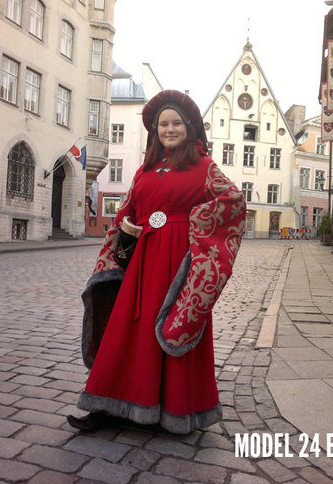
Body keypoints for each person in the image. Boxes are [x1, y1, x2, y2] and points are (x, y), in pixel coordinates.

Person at [67, 89, 246, 434]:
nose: (169, 129)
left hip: (179, 263)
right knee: (127, 331)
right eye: (163, 124)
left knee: (171, 325)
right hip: (143, 262)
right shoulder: (144, 170)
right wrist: (127, 228)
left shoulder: (204, 166)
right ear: (155, 130)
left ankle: (175, 410)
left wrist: (195, 225)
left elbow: (233, 201)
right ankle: (107, 404)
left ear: (189, 127)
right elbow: (128, 210)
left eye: (176, 122)